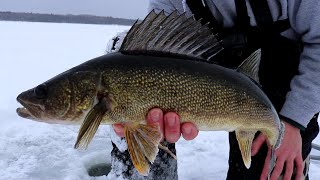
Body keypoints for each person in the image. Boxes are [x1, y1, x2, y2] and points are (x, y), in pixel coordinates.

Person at [111, 0, 320, 179]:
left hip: (289, 87)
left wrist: (294, 121)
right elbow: (160, 51)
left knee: (270, 169)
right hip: (219, 80)